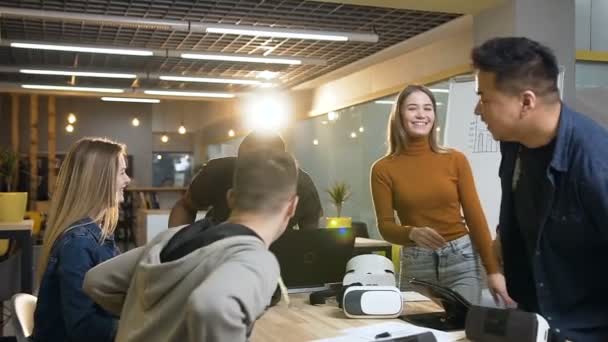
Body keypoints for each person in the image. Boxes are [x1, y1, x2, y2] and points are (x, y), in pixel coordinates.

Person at [83, 149, 298, 342]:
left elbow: (96, 281)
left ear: (231, 198)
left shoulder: (172, 237)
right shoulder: (255, 259)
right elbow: (211, 306)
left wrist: (154, 321)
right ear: (291, 207)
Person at [472, 37, 608, 341]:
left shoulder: (595, 163)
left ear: (526, 102)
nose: (477, 110)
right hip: (535, 323)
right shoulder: (513, 144)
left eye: (484, 97)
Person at [370, 84, 511, 306]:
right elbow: (385, 226)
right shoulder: (383, 169)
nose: (421, 115)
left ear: (434, 116)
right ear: (399, 115)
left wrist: (493, 271)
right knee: (415, 334)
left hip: (460, 260)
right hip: (417, 263)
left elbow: (475, 218)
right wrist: (412, 233)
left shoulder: (455, 159)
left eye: (428, 108)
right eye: (412, 108)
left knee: (461, 333)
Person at [33, 137, 131, 342]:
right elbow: (84, 329)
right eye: (122, 172)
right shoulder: (78, 244)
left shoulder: (93, 235)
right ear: (99, 179)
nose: (127, 180)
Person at [169, 131, 322, 230]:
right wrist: (178, 245)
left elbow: (310, 244)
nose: (249, 176)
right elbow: (185, 206)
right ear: (231, 197)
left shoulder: (303, 187)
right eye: (244, 167)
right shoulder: (218, 172)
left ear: (291, 206)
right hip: (217, 248)